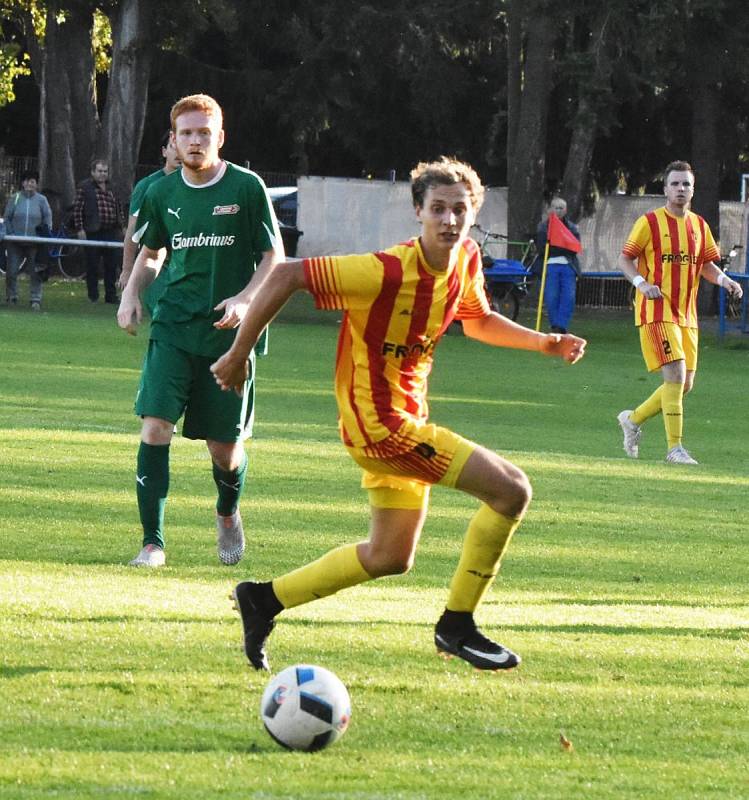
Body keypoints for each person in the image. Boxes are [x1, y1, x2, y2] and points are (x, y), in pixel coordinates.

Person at [211, 157, 587, 672]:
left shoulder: (465, 260)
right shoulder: (384, 271)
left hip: (405, 420)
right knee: (512, 489)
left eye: (460, 210)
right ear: (418, 211)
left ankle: (263, 600)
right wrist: (238, 354)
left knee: (390, 556)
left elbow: (476, 320)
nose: (449, 220)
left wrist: (544, 343)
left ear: (473, 213)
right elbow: (287, 274)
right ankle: (457, 626)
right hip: (380, 427)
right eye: (438, 209)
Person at [117, 93, 284, 568]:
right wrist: (131, 294)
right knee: (155, 427)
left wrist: (246, 299)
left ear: (220, 138)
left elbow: (275, 258)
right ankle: (153, 543)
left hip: (229, 335)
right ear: (173, 140)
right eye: (186, 133)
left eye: (204, 133)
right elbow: (151, 253)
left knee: (224, 451)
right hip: (172, 326)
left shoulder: (247, 189)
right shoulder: (160, 192)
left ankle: (228, 511)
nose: (195, 141)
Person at [617, 160, 743, 465]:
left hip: (687, 315)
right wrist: (641, 283)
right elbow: (625, 258)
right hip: (656, 310)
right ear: (665, 189)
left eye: (686, 184)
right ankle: (675, 449)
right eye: (675, 184)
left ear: (693, 189)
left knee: (685, 384)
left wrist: (725, 281)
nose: (681, 189)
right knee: (674, 373)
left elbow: (707, 266)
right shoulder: (649, 222)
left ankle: (633, 420)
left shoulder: (699, 226)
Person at [118, 131, 182, 312]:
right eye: (173, 147)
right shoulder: (148, 186)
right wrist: (127, 269)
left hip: (189, 265)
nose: (178, 153)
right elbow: (133, 231)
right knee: (164, 318)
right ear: (164, 152)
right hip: (160, 267)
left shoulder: (197, 186)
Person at [73, 158, 125, 304]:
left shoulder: (112, 188)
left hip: (111, 231)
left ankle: (110, 295)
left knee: (112, 265)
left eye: (105, 171)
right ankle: (93, 295)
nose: (103, 174)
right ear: (93, 172)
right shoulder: (85, 187)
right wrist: (80, 229)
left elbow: (119, 208)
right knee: (92, 265)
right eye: (100, 171)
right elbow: (78, 209)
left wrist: (123, 226)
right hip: (93, 231)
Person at [3, 170, 53, 311]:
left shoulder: (42, 200)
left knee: (35, 272)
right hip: (15, 242)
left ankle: (35, 299)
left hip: (34, 243)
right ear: (22, 183)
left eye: (32, 181)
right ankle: (11, 296)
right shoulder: (15, 197)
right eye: (26, 181)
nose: (29, 184)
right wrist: (11, 234)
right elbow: (7, 218)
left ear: (36, 184)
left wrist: (44, 234)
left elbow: (47, 219)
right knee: (11, 271)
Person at [534, 197, 581, 333]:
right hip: (550, 266)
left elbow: (574, 248)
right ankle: (555, 325)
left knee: (569, 296)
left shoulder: (572, 227)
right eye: (556, 207)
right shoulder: (543, 227)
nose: (558, 211)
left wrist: (557, 246)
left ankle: (561, 325)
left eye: (561, 208)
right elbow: (542, 249)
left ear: (565, 210)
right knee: (551, 296)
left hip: (568, 266)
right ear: (550, 210)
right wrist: (561, 247)